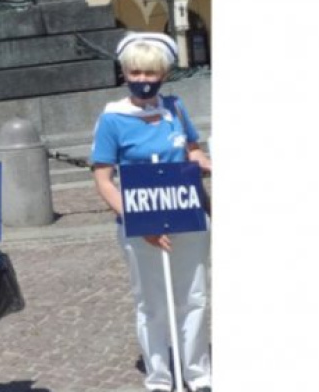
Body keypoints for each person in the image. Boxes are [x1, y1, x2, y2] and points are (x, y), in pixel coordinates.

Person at [90, 32, 212, 392]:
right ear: (125, 73)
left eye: (151, 73)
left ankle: (198, 374)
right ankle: (159, 377)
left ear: (164, 74)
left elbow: (191, 150)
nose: (143, 80)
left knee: (194, 298)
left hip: (187, 216)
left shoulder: (175, 108)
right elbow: (104, 179)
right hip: (141, 224)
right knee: (152, 303)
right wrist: (136, 220)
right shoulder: (112, 119)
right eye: (136, 73)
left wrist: (203, 161)